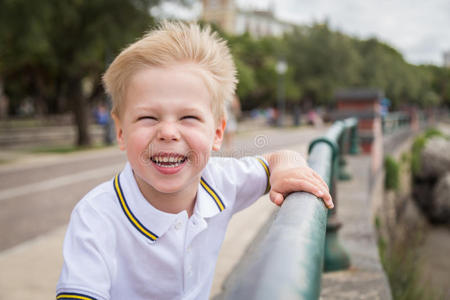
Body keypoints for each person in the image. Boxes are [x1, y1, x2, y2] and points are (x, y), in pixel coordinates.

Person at [56, 21, 333, 300]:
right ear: (120, 132)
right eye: (147, 117)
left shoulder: (219, 180)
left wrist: (286, 168)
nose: (167, 132)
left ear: (217, 132)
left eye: (188, 117)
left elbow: (278, 158)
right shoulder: (96, 217)